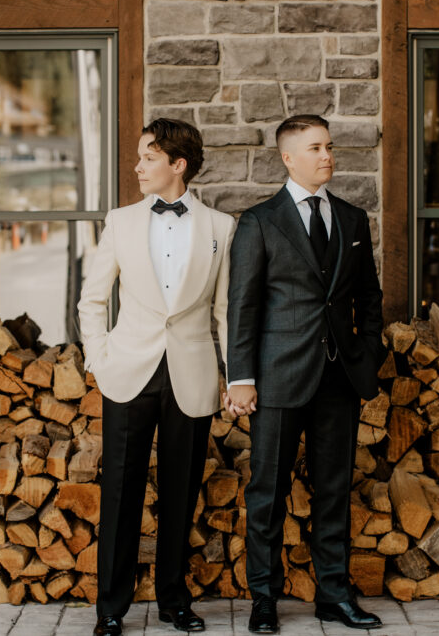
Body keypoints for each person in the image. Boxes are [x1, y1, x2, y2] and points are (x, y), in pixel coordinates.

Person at [224, 115, 386, 634]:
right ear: (288, 157)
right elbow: (242, 306)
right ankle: (264, 601)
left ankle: (334, 598)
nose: (328, 156)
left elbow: (369, 298)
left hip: (339, 378)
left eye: (330, 146)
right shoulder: (259, 221)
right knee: (267, 493)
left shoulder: (353, 219)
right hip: (276, 378)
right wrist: (241, 376)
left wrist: (368, 351)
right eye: (315, 148)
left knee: (334, 489)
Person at [79, 119, 235, 635]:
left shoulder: (220, 227)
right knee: (120, 494)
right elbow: (93, 300)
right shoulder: (120, 221)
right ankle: (110, 609)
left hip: (191, 376)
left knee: (180, 494)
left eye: (148, 157)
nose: (138, 166)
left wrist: (235, 376)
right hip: (128, 371)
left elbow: (225, 313)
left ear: (178, 164)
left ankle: (174, 601)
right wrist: (99, 359)